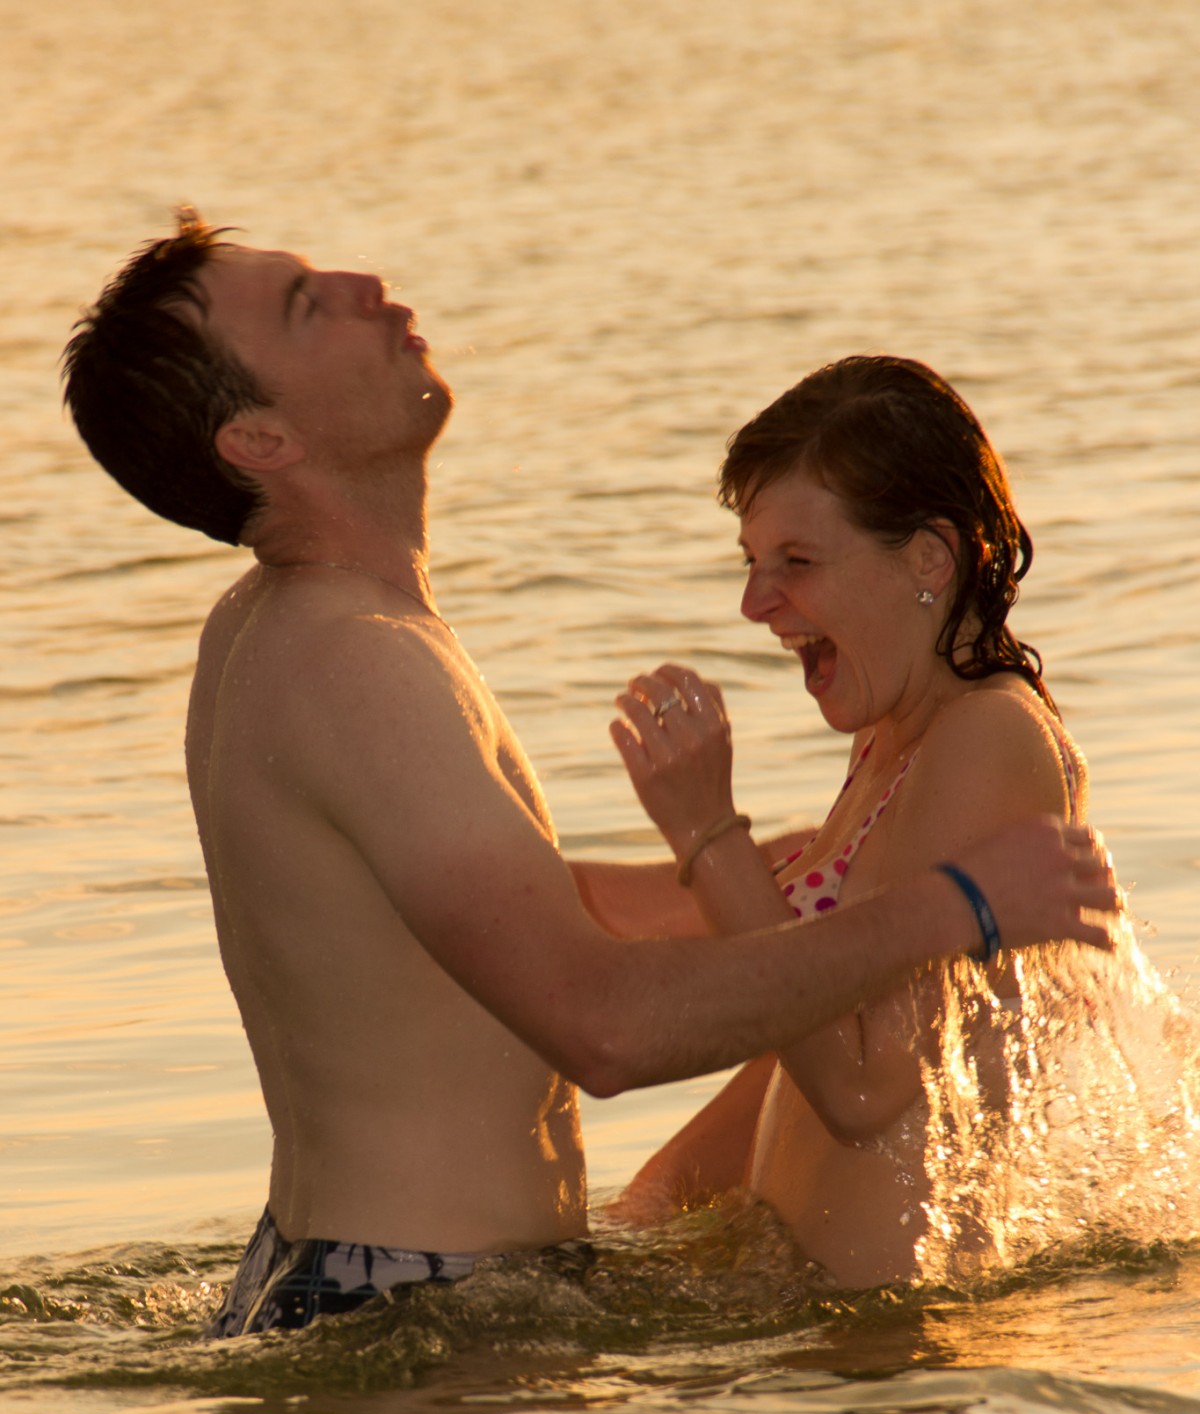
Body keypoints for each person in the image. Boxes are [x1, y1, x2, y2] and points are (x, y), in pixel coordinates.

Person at [60, 217, 1117, 1334]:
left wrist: (734, 880)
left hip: (333, 1275)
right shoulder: (357, 660)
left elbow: (485, 923)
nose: (364, 281)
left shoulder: (271, 630)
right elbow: (605, 1028)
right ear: (259, 439)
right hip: (423, 1307)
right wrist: (953, 906)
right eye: (305, 304)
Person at [603, 355, 1096, 1287]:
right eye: (751, 563)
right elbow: (800, 1033)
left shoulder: (988, 739)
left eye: (796, 562)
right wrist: (654, 1200)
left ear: (929, 558)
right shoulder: (894, 738)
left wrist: (709, 831)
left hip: (895, 1342)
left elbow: (863, 1084)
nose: (755, 603)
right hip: (818, 1319)